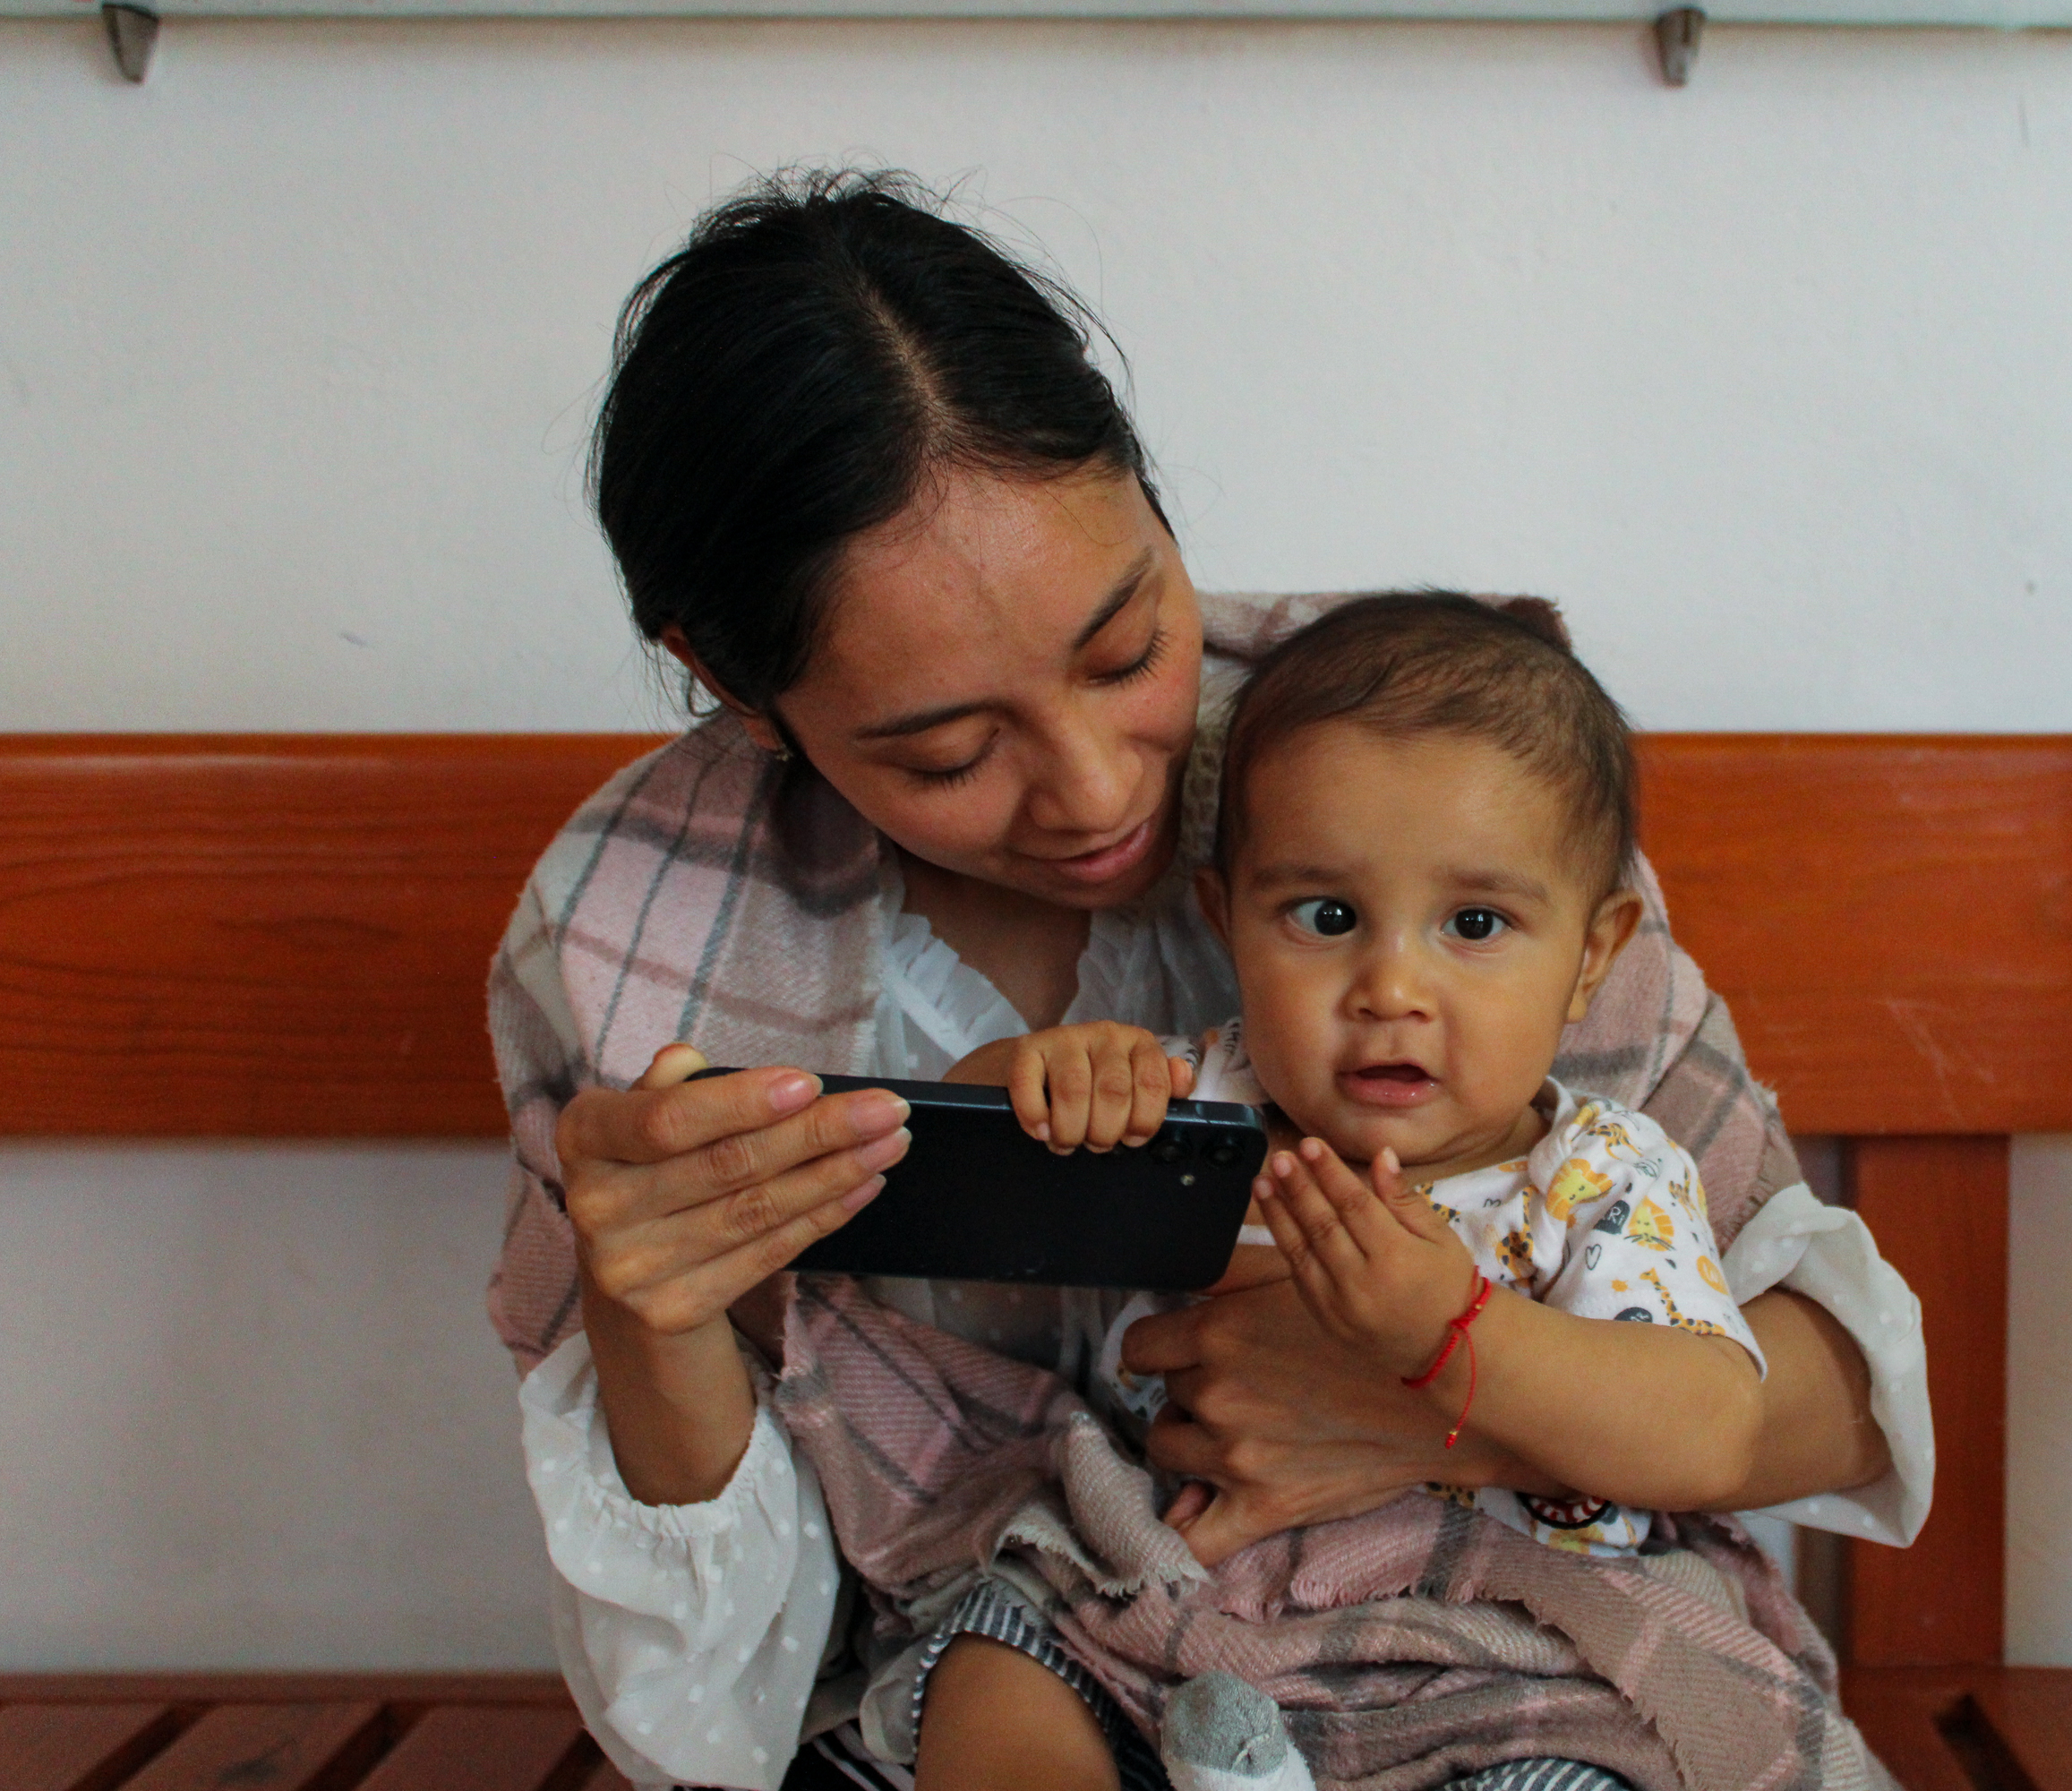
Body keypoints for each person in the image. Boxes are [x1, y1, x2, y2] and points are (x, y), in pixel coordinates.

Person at [489, 169, 1932, 1791]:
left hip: (1491, 1642)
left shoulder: (1428, 777)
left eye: (1127, 652)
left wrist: (1441, 1401)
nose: (1100, 790)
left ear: (1155, 504)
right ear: (735, 691)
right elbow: (717, 1694)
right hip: (1069, 1623)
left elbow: (1804, 1390)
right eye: (949, 752)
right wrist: (653, 1309)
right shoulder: (641, 936)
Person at [944, 593, 1801, 1791]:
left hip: (1496, 1661)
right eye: (1328, 916)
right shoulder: (1201, 1106)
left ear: (1592, 957)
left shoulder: (1599, 1176)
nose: (1391, 987)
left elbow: (1711, 1433)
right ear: (1227, 921)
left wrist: (1456, 1332)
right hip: (1174, 1624)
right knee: (993, 1658)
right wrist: (1042, 1078)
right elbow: (971, 1165)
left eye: (1475, 923)